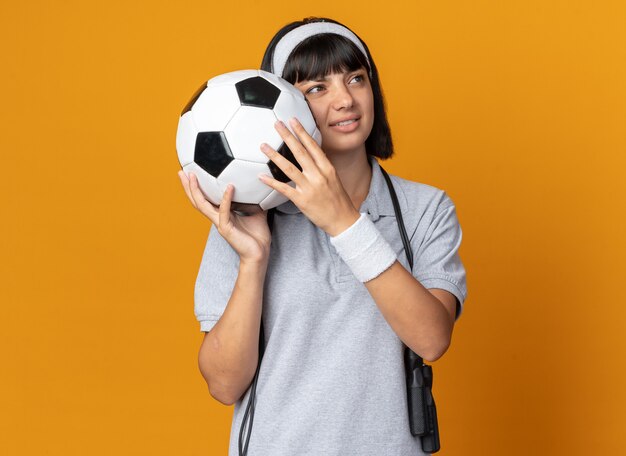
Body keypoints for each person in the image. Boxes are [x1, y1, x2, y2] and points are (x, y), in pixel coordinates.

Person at [177, 16, 468, 456]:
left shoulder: (425, 209)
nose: (346, 100)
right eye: (317, 88)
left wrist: (343, 222)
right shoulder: (245, 219)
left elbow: (431, 338)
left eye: (356, 78)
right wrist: (254, 261)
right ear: (285, 106)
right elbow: (223, 384)